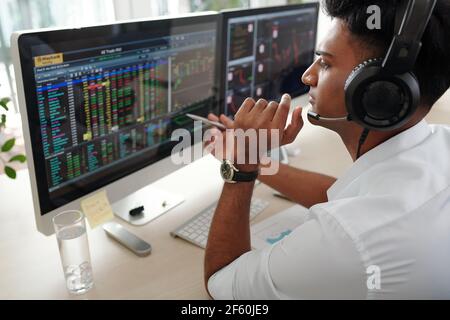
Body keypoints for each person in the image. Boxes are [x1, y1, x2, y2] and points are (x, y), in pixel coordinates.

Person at [203, 0, 450, 299]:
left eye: (325, 62)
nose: (308, 76)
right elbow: (349, 198)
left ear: (377, 91)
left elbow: (220, 282)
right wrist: (254, 160)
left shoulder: (350, 241)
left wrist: (240, 171)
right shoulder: (439, 145)